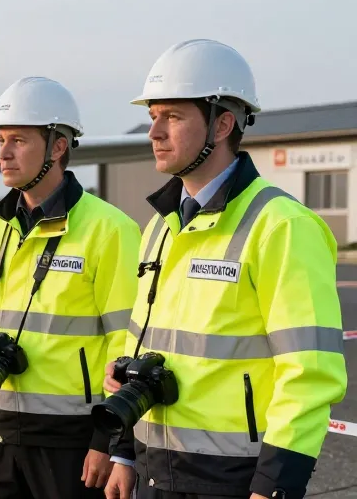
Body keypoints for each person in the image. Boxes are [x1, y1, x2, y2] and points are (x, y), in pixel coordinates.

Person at [100, 39, 348, 499]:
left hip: (234, 479)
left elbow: (310, 373)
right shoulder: (159, 226)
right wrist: (123, 452)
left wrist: (273, 487)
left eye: (171, 116)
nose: (154, 131)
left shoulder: (282, 227)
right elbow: (141, 342)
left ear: (223, 123)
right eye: (153, 115)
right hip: (155, 471)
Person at [0, 76, 141, 499]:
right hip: (0, 432)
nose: (3, 152)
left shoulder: (110, 230)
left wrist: (108, 442)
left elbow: (127, 345)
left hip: (72, 441)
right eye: (1, 139)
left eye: (18, 139)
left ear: (58, 147)